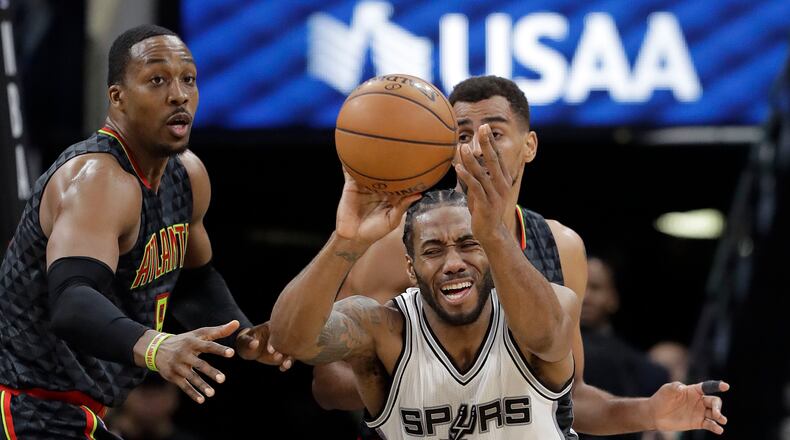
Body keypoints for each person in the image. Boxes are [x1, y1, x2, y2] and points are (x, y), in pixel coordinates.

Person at [308, 75, 729, 437]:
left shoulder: (561, 245)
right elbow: (327, 383)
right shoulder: (396, 243)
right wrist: (421, 382)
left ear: (529, 146)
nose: (478, 148)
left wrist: (649, 411)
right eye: (462, 136)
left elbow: (570, 396)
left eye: (494, 133)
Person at [0, 24, 280, 439]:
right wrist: (155, 346)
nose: (179, 95)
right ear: (118, 97)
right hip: (24, 405)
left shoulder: (187, 175)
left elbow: (193, 281)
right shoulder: (98, 178)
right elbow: (72, 301)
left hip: (77, 410)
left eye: (188, 79)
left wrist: (242, 335)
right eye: (157, 80)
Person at [269, 126, 583, 438]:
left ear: (488, 249)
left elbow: (548, 338)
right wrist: (346, 240)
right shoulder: (383, 331)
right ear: (411, 268)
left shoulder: (553, 304)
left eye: (468, 244)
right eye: (433, 251)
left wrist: (495, 234)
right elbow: (290, 340)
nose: (454, 264)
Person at [579, 255, 669, 440]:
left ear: (613, 298)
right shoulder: (543, 351)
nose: (585, 296)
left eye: (595, 287)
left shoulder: (640, 368)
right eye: (578, 285)